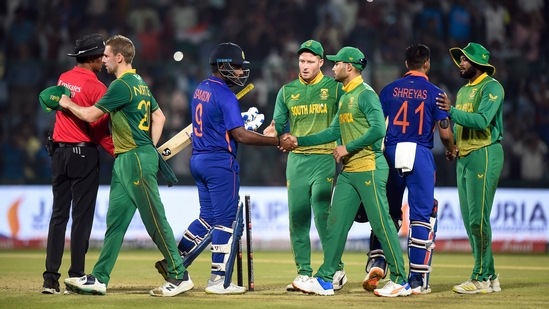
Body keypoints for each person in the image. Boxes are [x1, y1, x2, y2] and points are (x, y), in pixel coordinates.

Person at [59, 35, 191, 297]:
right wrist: (149, 147)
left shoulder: (121, 86)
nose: (103, 60)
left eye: (106, 56)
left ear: (119, 57)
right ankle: (100, 277)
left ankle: (179, 274)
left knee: (154, 219)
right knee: (116, 223)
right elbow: (159, 116)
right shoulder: (140, 83)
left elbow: (89, 115)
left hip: (134, 159)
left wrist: (66, 102)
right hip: (128, 158)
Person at [155, 42, 289, 295]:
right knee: (225, 222)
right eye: (236, 67)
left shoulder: (201, 88)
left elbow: (217, 121)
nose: (240, 72)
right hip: (219, 162)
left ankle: (176, 268)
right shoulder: (225, 94)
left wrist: (239, 121)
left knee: (207, 218)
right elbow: (241, 136)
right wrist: (276, 140)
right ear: (223, 66)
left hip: (198, 159)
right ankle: (218, 281)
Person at [285, 46, 411, 297]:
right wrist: (298, 140)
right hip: (350, 171)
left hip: (369, 168)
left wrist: (347, 148)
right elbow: (332, 132)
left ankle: (400, 279)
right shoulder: (344, 95)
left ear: (349, 67)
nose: (332, 67)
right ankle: (325, 278)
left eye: (336, 63)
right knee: (335, 225)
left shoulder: (366, 95)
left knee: (382, 224)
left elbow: (378, 130)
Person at [362, 43, 457, 295]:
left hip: (391, 151)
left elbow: (375, 126)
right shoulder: (436, 93)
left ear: (406, 64)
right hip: (420, 153)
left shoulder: (388, 91)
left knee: (387, 212)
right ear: (427, 64)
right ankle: (417, 280)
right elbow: (445, 131)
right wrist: (451, 149)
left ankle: (378, 260)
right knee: (422, 217)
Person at [262, 39, 347, 291]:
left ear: (322, 62)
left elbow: (347, 117)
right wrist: (272, 129)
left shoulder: (334, 88)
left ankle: (336, 268)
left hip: (324, 157)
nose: (305, 65)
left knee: (322, 215)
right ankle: (303, 272)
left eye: (311, 61)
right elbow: (278, 122)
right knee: (297, 217)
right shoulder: (287, 91)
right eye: (302, 61)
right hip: (296, 160)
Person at [41, 33, 114, 295]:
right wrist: (118, 152)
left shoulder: (63, 78)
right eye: (102, 56)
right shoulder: (98, 89)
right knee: (81, 219)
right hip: (84, 155)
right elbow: (98, 130)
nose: (103, 60)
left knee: (58, 216)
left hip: (59, 153)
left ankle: (50, 280)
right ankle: (76, 277)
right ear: (94, 58)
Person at [436, 42, 504, 294]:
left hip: (484, 153)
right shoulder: (464, 90)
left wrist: (451, 111)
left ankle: (480, 277)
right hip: (464, 157)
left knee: (478, 219)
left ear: (477, 63)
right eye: (461, 59)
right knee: (470, 221)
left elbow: (483, 120)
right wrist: (452, 146)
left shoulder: (492, 87)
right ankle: (491, 275)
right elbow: (459, 126)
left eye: (464, 60)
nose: (460, 63)